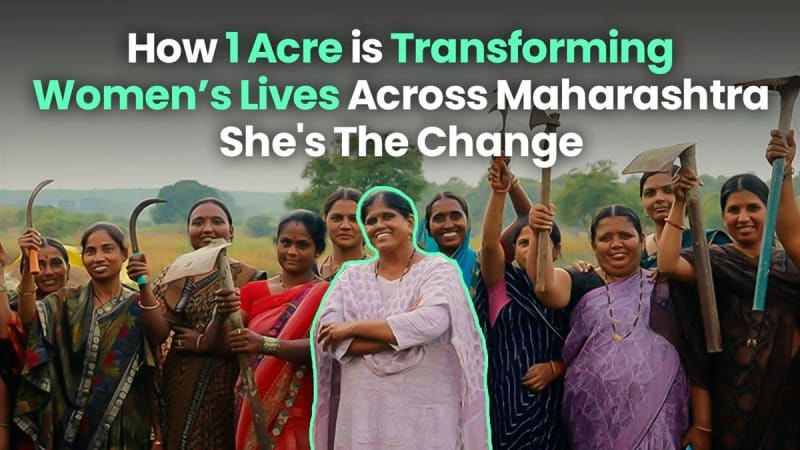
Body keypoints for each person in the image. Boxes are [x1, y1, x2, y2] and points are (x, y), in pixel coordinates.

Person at [312, 187, 489, 449]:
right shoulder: (351, 277)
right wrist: (405, 333)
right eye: (371, 221)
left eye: (387, 216)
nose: (379, 225)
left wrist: (351, 328)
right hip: (363, 416)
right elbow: (328, 338)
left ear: (409, 222)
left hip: (425, 417)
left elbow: (430, 323)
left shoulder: (438, 270)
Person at [657, 130, 800, 449]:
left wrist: (786, 169)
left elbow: (793, 234)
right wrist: (679, 202)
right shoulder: (716, 261)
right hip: (733, 397)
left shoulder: (790, 266)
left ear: (769, 210)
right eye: (733, 210)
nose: (743, 217)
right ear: (723, 216)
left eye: (753, 208)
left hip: (787, 397)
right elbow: (667, 265)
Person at [528, 203, 689, 449]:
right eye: (605, 238)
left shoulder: (662, 285)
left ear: (641, 240)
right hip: (592, 422)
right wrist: (538, 232)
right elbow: (544, 286)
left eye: (625, 235)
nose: (616, 244)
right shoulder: (582, 281)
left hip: (660, 417)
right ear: (593, 246)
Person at [13, 222, 170, 449]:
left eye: (107, 249)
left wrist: (144, 283)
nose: (98, 258)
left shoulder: (137, 303)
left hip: (125, 424)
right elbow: (29, 318)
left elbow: (159, 335)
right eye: (90, 251)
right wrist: (29, 264)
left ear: (124, 254)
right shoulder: (65, 301)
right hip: (71, 427)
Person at [153, 198, 266, 450]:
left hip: (227, 382)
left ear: (231, 231)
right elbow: (158, 330)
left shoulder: (250, 277)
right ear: (188, 231)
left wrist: (202, 342)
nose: (207, 229)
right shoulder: (173, 274)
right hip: (178, 380)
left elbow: (249, 338)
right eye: (198, 223)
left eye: (217, 221)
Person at [477, 161, 569, 449]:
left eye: (540, 241)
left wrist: (555, 368)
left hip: (551, 413)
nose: (531, 249)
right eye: (523, 243)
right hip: (504, 406)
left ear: (556, 250)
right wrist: (501, 190)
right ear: (513, 251)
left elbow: (586, 351)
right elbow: (490, 245)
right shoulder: (501, 284)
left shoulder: (568, 288)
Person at [228, 210, 329, 450]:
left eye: (302, 245)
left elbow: (323, 347)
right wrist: (221, 313)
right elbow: (228, 341)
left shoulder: (328, 294)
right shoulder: (253, 291)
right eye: (285, 243)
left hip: (301, 400)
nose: (292, 251)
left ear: (318, 250)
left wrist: (265, 344)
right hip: (252, 399)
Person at [638, 166, 730, 269]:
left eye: (669, 190)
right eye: (650, 193)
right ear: (642, 203)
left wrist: (679, 202)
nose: (658, 198)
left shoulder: (708, 241)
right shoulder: (638, 247)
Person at [418, 191, 479, 289]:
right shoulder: (418, 271)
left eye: (456, 216)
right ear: (428, 229)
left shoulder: (481, 265)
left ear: (467, 223)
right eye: (439, 218)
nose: (448, 225)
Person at [317, 188, 366, 281]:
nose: (345, 226)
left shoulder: (379, 272)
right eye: (337, 218)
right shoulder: (310, 271)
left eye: (354, 219)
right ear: (325, 220)